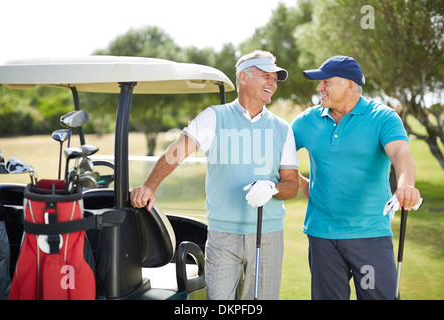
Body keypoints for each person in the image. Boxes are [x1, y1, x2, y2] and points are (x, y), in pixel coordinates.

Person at [130, 50, 299, 300]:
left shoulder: (282, 128)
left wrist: (273, 188)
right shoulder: (214, 117)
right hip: (223, 236)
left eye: (275, 78)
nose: (273, 83)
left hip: (268, 235)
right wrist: (149, 186)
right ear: (243, 77)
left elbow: (292, 185)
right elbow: (175, 153)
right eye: (266, 76)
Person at [291, 55, 421, 300]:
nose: (319, 88)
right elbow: (278, 154)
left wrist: (406, 186)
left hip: (370, 236)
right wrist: (301, 184)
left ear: (349, 85)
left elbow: (401, 155)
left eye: (326, 82)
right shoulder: (307, 120)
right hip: (322, 236)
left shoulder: (382, 117)